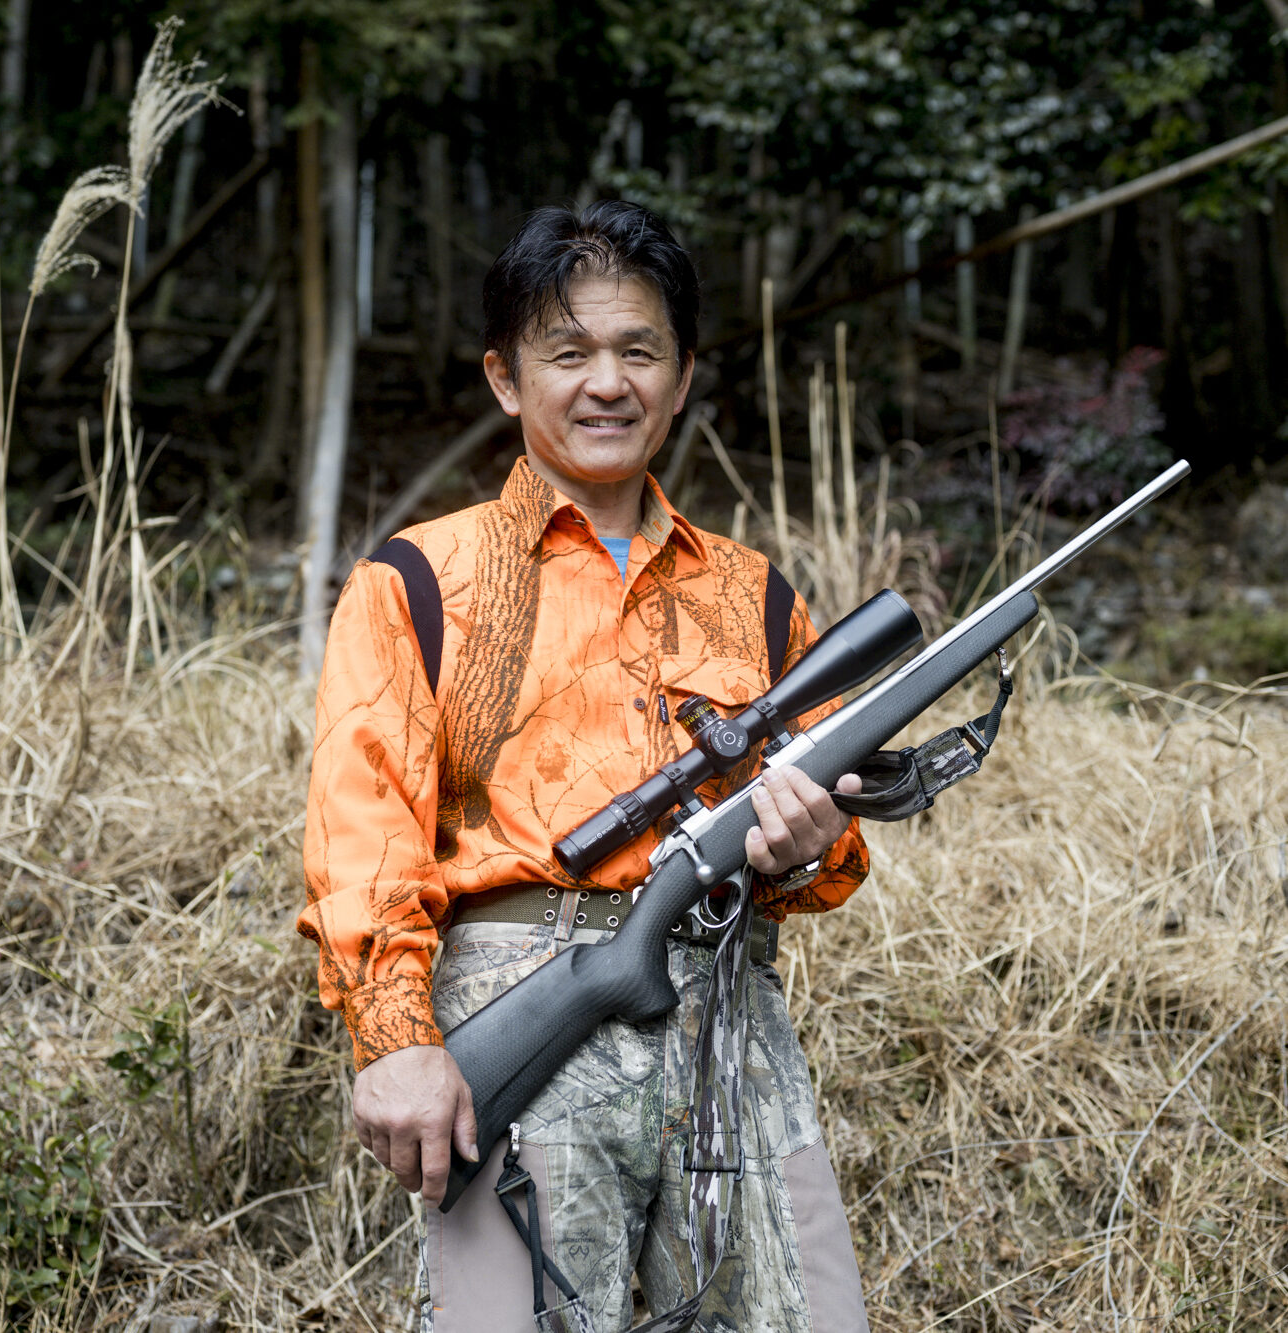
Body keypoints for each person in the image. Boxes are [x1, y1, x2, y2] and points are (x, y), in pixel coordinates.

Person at [299, 200, 871, 1332]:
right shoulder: (419, 579)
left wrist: (806, 849)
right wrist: (396, 1040)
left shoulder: (756, 593)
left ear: (682, 376)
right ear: (505, 379)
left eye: (638, 351)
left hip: (729, 1016)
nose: (606, 383)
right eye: (568, 352)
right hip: (517, 1004)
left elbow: (825, 854)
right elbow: (364, 836)